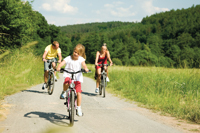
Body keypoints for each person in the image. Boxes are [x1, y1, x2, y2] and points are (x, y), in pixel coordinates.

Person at [57, 44, 89, 117]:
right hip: (68, 75)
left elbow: (84, 65)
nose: (75, 54)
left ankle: (79, 108)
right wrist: (59, 66)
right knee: (66, 82)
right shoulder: (68, 58)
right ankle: (64, 92)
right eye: (75, 52)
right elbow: (62, 62)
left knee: (78, 93)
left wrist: (86, 68)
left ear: (80, 54)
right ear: (73, 51)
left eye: (78, 53)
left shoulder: (81, 59)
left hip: (77, 77)